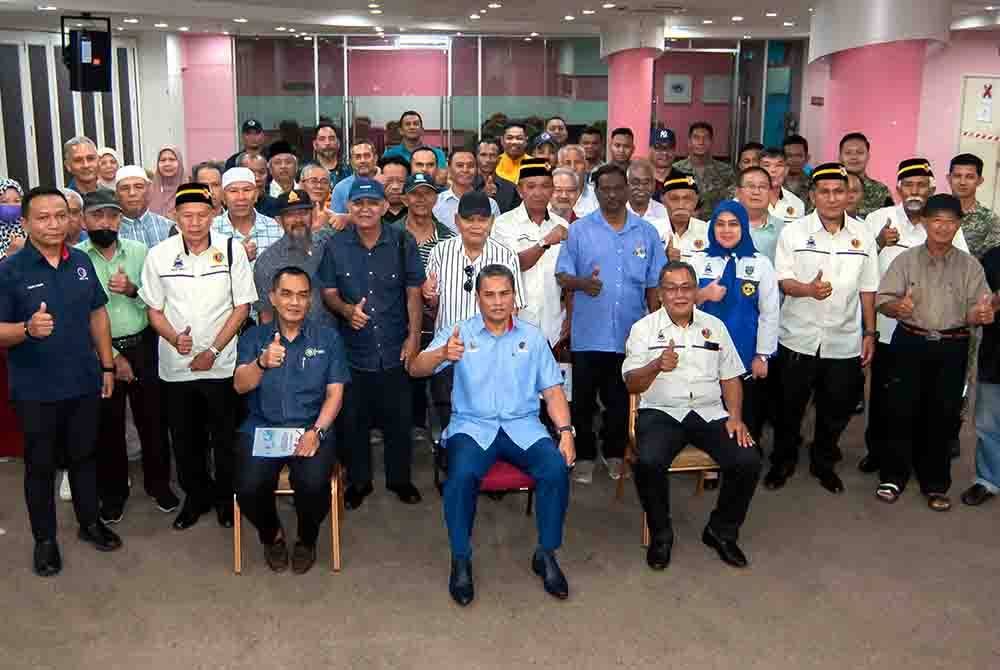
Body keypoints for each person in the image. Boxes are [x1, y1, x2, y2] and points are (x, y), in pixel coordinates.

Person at [409, 264, 574, 606]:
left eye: (504, 294)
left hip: (523, 425)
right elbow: (414, 368)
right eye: (490, 295)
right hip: (472, 426)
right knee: (461, 476)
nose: (498, 302)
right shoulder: (459, 333)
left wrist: (566, 432)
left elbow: (553, 391)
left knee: (555, 468)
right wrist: (442, 354)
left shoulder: (532, 336)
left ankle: (546, 553)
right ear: (478, 297)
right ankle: (461, 558)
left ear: (514, 296)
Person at [0, 187, 121, 576]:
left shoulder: (81, 261)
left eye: (60, 216)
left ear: (71, 220)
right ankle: (45, 540)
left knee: (85, 457)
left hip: (84, 381)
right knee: (40, 466)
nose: (53, 224)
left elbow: (98, 315)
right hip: (36, 389)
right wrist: (26, 329)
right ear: (26, 222)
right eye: (43, 217)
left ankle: (89, 524)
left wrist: (106, 366)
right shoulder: (10, 270)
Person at [624, 260, 760, 570]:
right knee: (648, 462)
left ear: (696, 290)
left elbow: (730, 378)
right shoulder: (643, 330)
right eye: (671, 288)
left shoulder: (715, 327)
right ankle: (661, 534)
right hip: (661, 411)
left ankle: (721, 531)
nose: (679, 295)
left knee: (748, 459)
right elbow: (632, 382)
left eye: (686, 287)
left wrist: (735, 416)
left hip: (708, 411)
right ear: (660, 294)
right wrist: (656, 365)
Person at [139, 182, 257, 530]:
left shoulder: (232, 250)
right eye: (187, 215)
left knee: (223, 437)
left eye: (202, 215)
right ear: (174, 216)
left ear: (214, 215)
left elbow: (242, 307)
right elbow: (153, 310)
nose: (194, 222)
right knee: (185, 438)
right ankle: (196, 497)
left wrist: (213, 350)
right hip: (177, 366)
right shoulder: (159, 255)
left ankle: (225, 498)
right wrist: (175, 338)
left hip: (221, 364)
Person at [874, 193, 993, 510]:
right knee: (900, 409)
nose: (943, 227)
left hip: (952, 346)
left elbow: (976, 310)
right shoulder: (906, 260)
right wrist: (897, 306)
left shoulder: (970, 266)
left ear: (958, 226)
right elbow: (882, 300)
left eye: (950, 221)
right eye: (936, 220)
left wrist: (979, 315)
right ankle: (893, 476)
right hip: (909, 341)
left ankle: (936, 483)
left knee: (942, 414)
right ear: (925, 222)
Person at [767, 163, 879, 494]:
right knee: (789, 407)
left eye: (839, 191)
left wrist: (869, 333)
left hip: (843, 340)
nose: (832, 198)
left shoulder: (863, 236)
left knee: (836, 408)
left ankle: (823, 461)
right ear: (813, 196)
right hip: (798, 337)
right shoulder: (794, 232)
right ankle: (782, 461)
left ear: (849, 195)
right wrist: (808, 290)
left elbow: (868, 288)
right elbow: (783, 280)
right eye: (824, 192)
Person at [234, 266, 350, 574]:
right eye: (286, 294)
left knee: (312, 484)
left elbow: (335, 395)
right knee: (247, 487)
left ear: (310, 300)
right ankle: (271, 535)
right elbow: (240, 385)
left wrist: (317, 432)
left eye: (301, 295)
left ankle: (307, 539)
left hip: (311, 425)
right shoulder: (254, 337)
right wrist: (261, 363)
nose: (294, 302)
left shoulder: (328, 338)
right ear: (272, 297)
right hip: (262, 426)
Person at [556, 164, 667, 483]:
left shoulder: (646, 232)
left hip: (630, 334)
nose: (613, 194)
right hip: (589, 334)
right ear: (596, 191)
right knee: (584, 402)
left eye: (619, 187)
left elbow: (652, 284)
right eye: (605, 189)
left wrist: (654, 325)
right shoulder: (579, 230)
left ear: (629, 188)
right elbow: (562, 275)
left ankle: (616, 452)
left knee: (621, 401)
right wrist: (581, 283)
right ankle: (586, 454)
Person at [319, 177, 425, 510]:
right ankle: (359, 482)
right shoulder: (336, 246)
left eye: (372, 203)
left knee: (399, 419)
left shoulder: (402, 241)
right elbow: (328, 292)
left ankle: (399, 479)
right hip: (352, 350)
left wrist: (413, 338)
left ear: (383, 206)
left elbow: (413, 292)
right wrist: (346, 310)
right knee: (354, 421)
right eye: (358, 204)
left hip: (395, 347)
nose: (365, 210)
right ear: (348, 208)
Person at [860, 159, 969, 475]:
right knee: (882, 394)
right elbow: (861, 267)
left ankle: (915, 458)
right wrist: (880, 242)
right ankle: (877, 452)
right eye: (908, 185)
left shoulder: (940, 222)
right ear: (898, 189)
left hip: (924, 330)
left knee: (920, 398)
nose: (915, 191)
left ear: (932, 188)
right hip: (884, 325)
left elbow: (961, 266)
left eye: (922, 185)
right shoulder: (878, 219)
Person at [77, 189, 178, 522]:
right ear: (83, 220)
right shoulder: (76, 258)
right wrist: (111, 355)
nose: (105, 222)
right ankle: (114, 493)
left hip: (144, 344)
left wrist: (133, 290)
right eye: (97, 216)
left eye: (111, 216)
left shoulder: (139, 251)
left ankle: (158, 485)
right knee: (108, 424)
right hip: (99, 351)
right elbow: (78, 315)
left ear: (120, 219)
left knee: (153, 419)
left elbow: (156, 299)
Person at [424, 191, 525, 430]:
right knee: (450, 422)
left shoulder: (505, 254)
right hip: (449, 352)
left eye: (482, 219)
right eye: (469, 219)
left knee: (488, 422)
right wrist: (428, 295)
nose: (476, 226)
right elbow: (432, 305)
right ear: (457, 221)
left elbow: (515, 308)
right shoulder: (440, 251)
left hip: (492, 354)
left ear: (491, 222)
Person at [691, 201, 779, 439]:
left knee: (747, 419)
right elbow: (677, 306)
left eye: (733, 224)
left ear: (743, 228)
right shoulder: (698, 262)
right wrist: (703, 295)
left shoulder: (760, 264)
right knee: (709, 420)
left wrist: (762, 355)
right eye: (720, 224)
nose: (726, 230)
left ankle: (744, 464)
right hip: (703, 356)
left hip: (744, 355)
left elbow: (770, 314)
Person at [393, 172, 456, 443]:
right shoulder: (391, 233)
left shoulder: (448, 237)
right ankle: (413, 422)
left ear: (436, 198)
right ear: (405, 198)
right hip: (398, 315)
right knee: (405, 370)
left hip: (439, 315)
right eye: (415, 193)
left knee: (439, 369)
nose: (421, 199)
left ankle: (442, 425)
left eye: (428, 193)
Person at [492, 158, 569, 346]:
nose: (538, 193)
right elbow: (513, 264)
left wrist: (571, 317)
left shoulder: (563, 225)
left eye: (545, 186)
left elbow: (569, 278)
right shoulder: (504, 224)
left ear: (552, 190)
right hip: (515, 324)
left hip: (554, 327)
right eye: (531, 186)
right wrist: (545, 241)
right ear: (520, 190)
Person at [254, 189, 335, 328]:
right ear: (279, 221)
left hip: (333, 338)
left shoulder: (328, 243)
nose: (298, 220)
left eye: (303, 213)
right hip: (293, 342)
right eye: (290, 215)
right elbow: (266, 314)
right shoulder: (268, 261)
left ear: (313, 215)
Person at [962, 240, 1000, 507]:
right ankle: (987, 480)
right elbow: (979, 305)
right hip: (996, 357)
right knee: (989, 425)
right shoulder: (993, 257)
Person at [212, 167, 284, 270]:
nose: (241, 197)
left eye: (247, 190)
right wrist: (237, 256)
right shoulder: (211, 230)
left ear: (255, 195)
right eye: (233, 191)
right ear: (223, 197)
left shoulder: (276, 229)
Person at [672, 122, 736, 220]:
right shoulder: (676, 170)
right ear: (689, 142)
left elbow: (733, 201)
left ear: (711, 142)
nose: (701, 142)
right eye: (696, 138)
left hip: (717, 225)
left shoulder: (725, 171)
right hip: (686, 225)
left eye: (705, 138)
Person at [948, 153, 1000, 259]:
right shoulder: (933, 212)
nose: (962, 182)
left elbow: (992, 263)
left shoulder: (990, 220)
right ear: (949, 178)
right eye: (957, 176)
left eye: (970, 177)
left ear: (980, 181)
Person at [434, 149, 500, 232]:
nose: (465, 170)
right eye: (460, 165)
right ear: (449, 168)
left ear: (476, 169)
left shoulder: (490, 204)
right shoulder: (436, 202)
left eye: (470, 166)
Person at [735, 167, 785, 264]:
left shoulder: (783, 230)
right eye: (750, 186)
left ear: (770, 193)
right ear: (738, 192)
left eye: (762, 187)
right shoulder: (717, 227)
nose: (756, 192)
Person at [116, 166, 173, 247]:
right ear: (116, 194)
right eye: (125, 188)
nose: (132, 193)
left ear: (148, 190)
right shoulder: (110, 233)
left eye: (138, 187)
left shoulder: (169, 227)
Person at [660, 169, 709, 263]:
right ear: (663, 200)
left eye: (687, 199)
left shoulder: (707, 231)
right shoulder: (651, 230)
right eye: (674, 199)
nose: (681, 205)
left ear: (696, 200)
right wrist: (662, 258)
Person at [839, 132, 892, 219]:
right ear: (840, 157)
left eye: (859, 152)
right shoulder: (829, 188)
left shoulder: (881, 191)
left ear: (868, 155)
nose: (854, 157)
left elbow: (890, 222)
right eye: (848, 153)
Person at [381, 110, 447, 170]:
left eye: (416, 124)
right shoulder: (389, 155)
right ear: (400, 131)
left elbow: (441, 178)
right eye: (407, 124)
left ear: (422, 130)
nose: (412, 127)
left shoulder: (437, 153)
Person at [330, 140, 379, 214]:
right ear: (352, 162)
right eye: (358, 157)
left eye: (367, 156)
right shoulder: (340, 189)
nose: (362, 160)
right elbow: (336, 221)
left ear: (375, 159)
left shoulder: (385, 183)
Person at [474, 139, 520, 214]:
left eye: (492, 155)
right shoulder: (467, 185)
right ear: (476, 158)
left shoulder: (511, 189)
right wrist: (482, 197)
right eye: (483, 155)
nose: (488, 160)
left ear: (499, 159)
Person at [760, 148, 806, 224]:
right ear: (758, 169)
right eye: (766, 165)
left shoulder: (797, 204)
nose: (773, 170)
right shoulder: (742, 201)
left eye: (779, 165)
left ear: (786, 170)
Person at [626, 159, 670, 235]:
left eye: (646, 183)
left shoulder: (665, 213)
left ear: (654, 184)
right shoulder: (616, 213)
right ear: (627, 184)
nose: (641, 187)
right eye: (635, 182)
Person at [556, 144, 598, 219]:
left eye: (578, 162)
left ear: (585, 166)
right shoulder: (551, 196)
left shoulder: (597, 195)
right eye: (568, 163)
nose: (573, 168)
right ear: (559, 167)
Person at [299, 163, 342, 231]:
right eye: (313, 181)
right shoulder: (292, 215)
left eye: (324, 182)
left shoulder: (336, 216)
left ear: (329, 188)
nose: (319, 186)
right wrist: (317, 228)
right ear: (301, 185)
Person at [238, 151, 281, 218]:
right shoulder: (230, 206)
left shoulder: (277, 206)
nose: (257, 178)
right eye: (251, 172)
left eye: (261, 172)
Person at [312, 122, 352, 189]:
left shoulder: (350, 172)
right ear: (315, 145)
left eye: (331, 138)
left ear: (338, 143)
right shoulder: (307, 173)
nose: (327, 143)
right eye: (322, 139)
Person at [148, 145, 184, 217]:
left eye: (172, 159)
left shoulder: (191, 190)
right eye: (163, 160)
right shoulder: (148, 191)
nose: (167, 164)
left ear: (179, 162)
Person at [378, 155, 410, 225]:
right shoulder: (373, 213)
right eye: (389, 181)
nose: (395, 187)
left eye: (401, 181)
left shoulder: (415, 211)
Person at [782, 134, 812, 203]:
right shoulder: (774, 184)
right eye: (789, 156)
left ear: (807, 158)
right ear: (782, 158)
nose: (794, 160)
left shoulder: (813, 185)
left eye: (799, 156)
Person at [0, 177, 25, 257]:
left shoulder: (28, 227)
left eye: (17, 201)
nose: (11, 205)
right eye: (4, 201)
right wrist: (9, 253)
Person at [650, 128, 677, 196]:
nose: (664, 152)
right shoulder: (640, 179)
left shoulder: (685, 181)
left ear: (674, 150)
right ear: (650, 149)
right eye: (658, 148)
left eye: (669, 148)